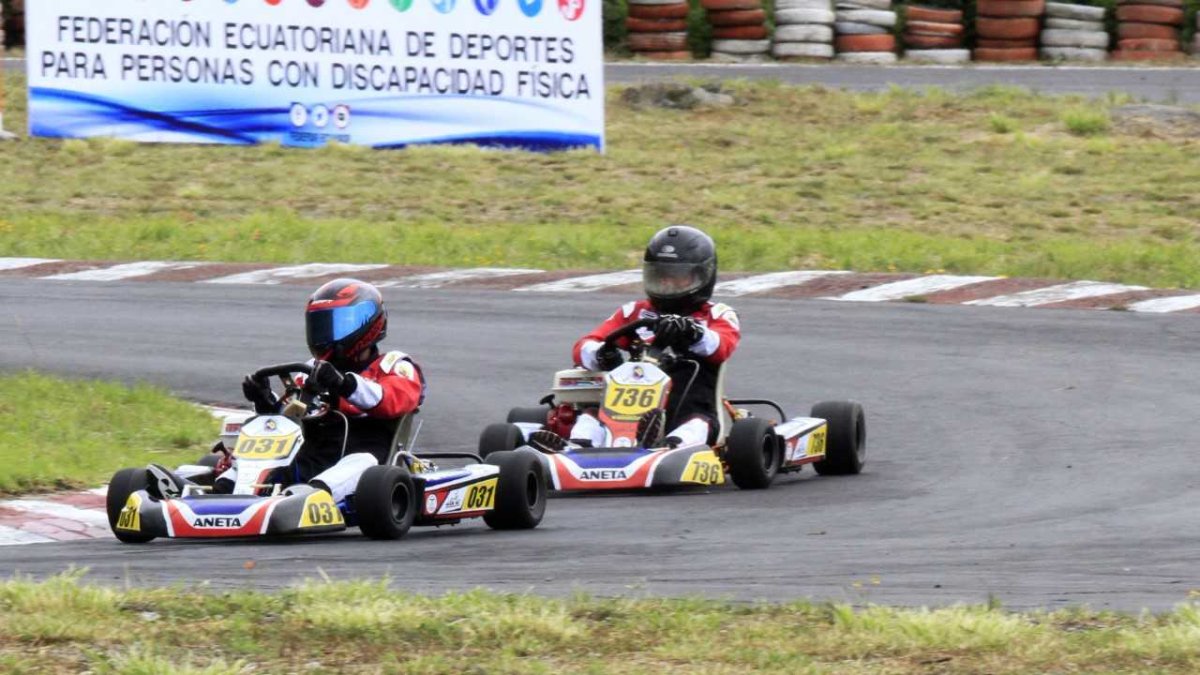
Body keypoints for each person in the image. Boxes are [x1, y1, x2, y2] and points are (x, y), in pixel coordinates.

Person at [218, 278, 426, 496]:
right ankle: (219, 494)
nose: (325, 334)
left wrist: (344, 384)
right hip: (312, 453)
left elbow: (392, 400)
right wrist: (265, 401)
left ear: (366, 323)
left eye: (336, 324)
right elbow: (292, 416)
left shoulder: (394, 365)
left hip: (363, 457)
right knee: (242, 475)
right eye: (320, 325)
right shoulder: (311, 370)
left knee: (339, 474)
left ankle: (308, 500)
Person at [540, 225, 740, 450]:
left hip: (688, 403)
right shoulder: (634, 312)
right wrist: (600, 354)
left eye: (677, 277)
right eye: (661, 276)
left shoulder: (717, 314)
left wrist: (691, 332)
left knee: (696, 423)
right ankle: (576, 447)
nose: (667, 284)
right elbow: (583, 345)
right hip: (630, 399)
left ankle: (670, 446)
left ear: (702, 276)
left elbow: (722, 346)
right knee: (591, 414)